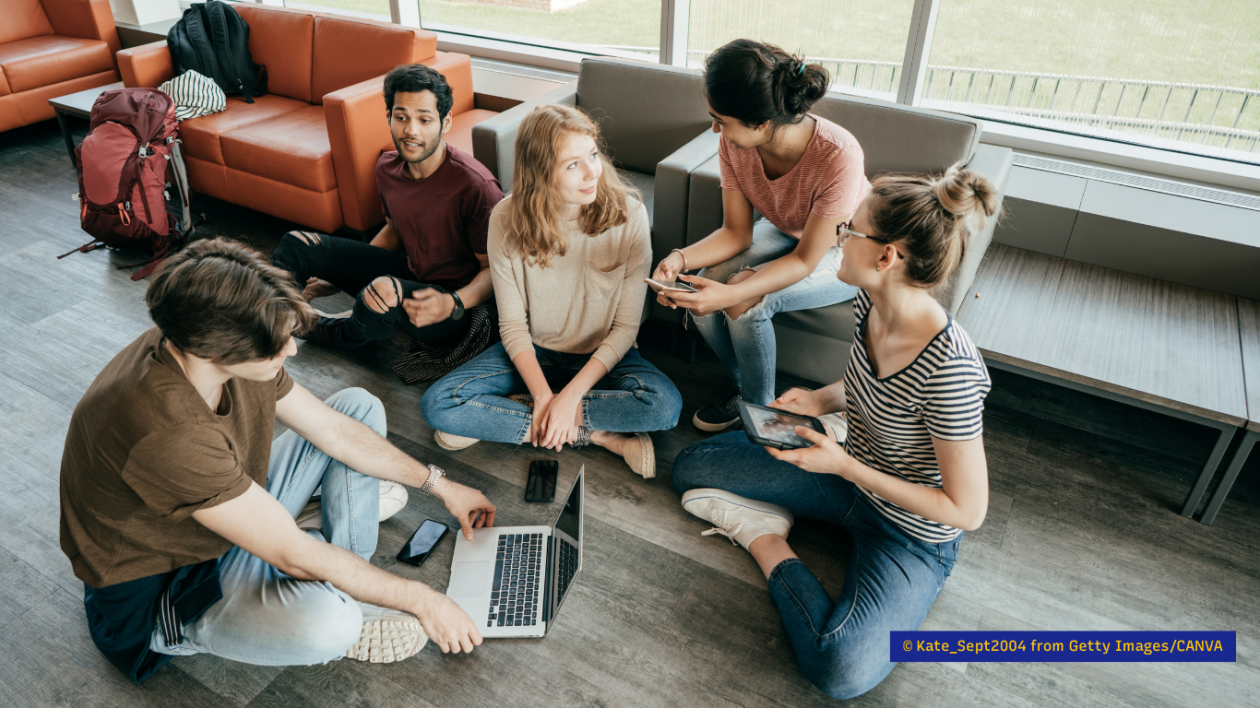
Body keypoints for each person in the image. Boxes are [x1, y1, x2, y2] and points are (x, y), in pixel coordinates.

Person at [60, 239, 498, 683]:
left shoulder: (205, 332)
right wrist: (422, 599)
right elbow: (290, 555)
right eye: (278, 345)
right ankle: (320, 582)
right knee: (331, 625)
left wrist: (441, 486)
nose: (291, 351)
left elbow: (334, 431)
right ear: (217, 351)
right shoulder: (165, 430)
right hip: (171, 585)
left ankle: (335, 564)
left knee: (357, 408)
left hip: (215, 512)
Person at [671, 167, 997, 700]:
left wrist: (843, 465)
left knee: (839, 668)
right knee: (691, 467)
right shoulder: (871, 301)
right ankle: (783, 507)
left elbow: (967, 511)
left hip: (910, 533)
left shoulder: (951, 371)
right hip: (846, 475)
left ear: (886, 256)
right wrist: (822, 399)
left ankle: (765, 538)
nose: (838, 237)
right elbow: (866, 379)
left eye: (851, 229)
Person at [421, 104, 682, 478]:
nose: (593, 172)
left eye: (592, 155)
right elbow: (511, 326)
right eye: (572, 164)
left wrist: (572, 395)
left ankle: (515, 416)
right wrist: (546, 398)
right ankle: (596, 435)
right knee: (438, 405)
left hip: (603, 355)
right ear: (541, 172)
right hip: (534, 351)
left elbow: (625, 329)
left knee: (664, 408)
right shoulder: (506, 219)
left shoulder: (629, 215)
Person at [650, 39, 871, 431]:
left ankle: (763, 417)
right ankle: (744, 392)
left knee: (743, 302)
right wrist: (680, 259)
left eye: (721, 118)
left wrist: (734, 293)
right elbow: (735, 233)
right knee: (704, 287)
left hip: (846, 247)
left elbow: (806, 258)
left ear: (762, 123)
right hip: (787, 230)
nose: (715, 127)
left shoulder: (838, 155)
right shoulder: (733, 144)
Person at [270, 63, 503, 350]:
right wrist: (338, 276)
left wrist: (453, 303)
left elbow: (495, 270)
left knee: (379, 293)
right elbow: (393, 233)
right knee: (296, 243)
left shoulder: (476, 186)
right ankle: (267, 325)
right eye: (401, 117)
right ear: (388, 117)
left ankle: (313, 328)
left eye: (425, 120)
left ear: (446, 122)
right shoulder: (387, 168)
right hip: (408, 273)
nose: (410, 131)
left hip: (451, 307)